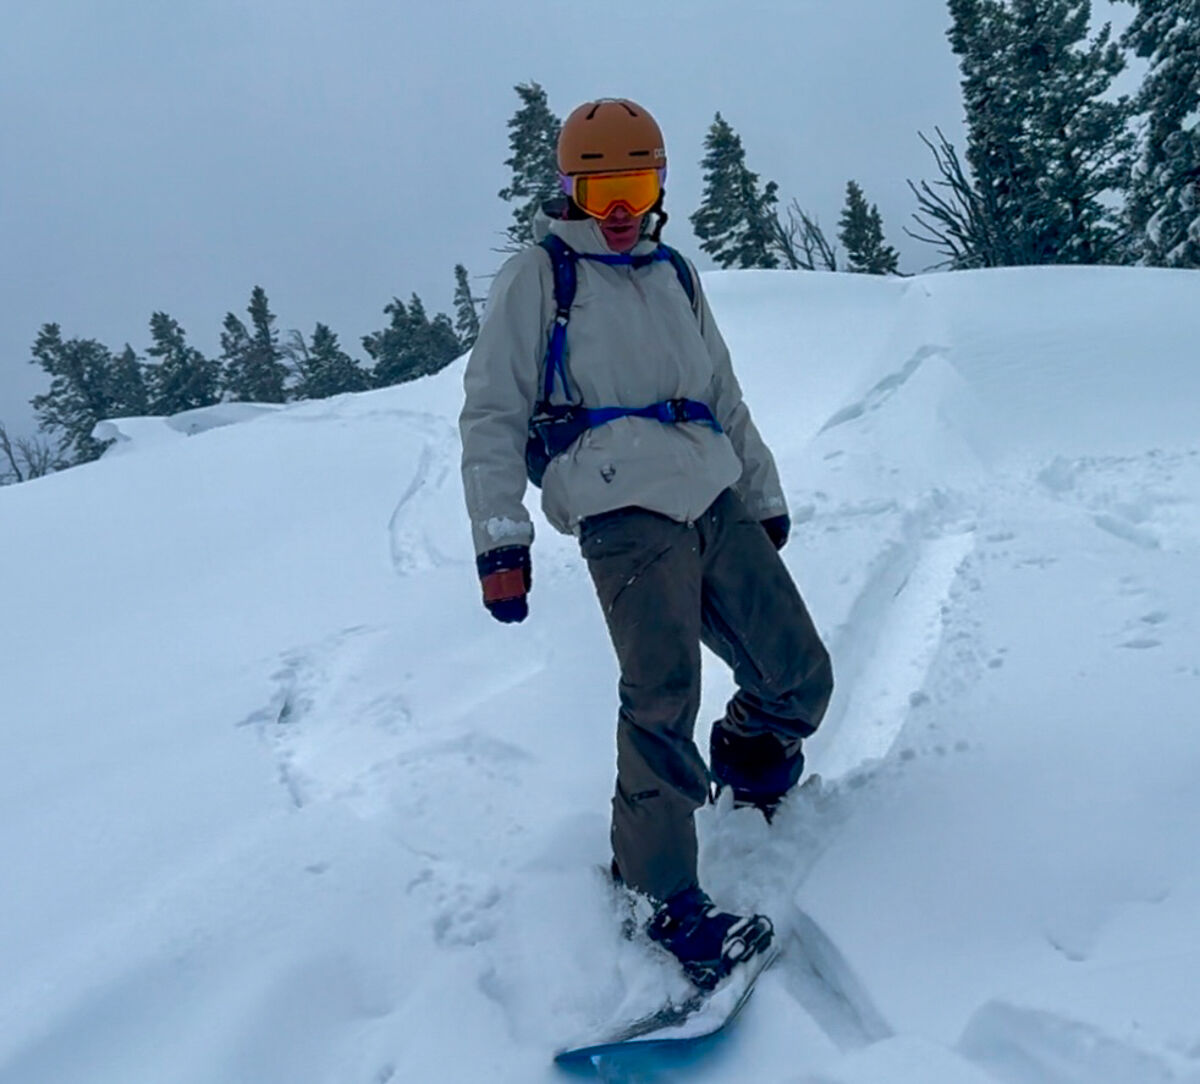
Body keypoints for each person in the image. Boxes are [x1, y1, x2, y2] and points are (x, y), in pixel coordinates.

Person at [459, 98, 833, 990]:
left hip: (710, 489)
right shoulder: (540, 277)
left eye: (635, 184)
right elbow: (493, 410)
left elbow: (724, 396)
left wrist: (762, 489)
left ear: (658, 183)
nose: (620, 209)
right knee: (661, 696)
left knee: (798, 673)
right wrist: (498, 535)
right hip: (621, 507)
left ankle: (748, 767)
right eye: (600, 190)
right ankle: (658, 892)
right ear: (570, 191)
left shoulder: (676, 273)